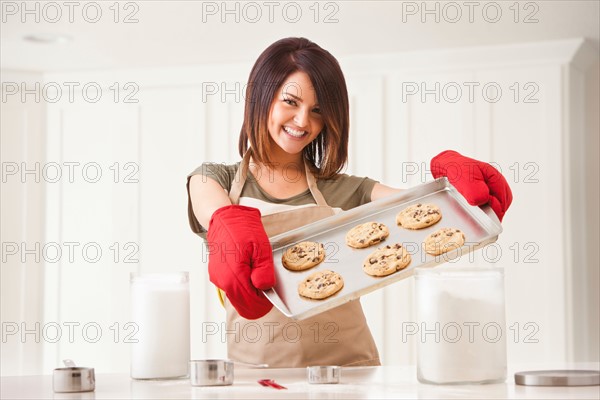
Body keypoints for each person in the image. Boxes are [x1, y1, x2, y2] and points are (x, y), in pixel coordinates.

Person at [186, 37, 512, 367]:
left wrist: (453, 183)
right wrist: (225, 221)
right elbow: (208, 202)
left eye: (317, 110)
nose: (302, 121)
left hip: (351, 372)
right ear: (261, 97)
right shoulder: (216, 180)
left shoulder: (344, 190)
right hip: (260, 377)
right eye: (290, 101)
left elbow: (423, 211)